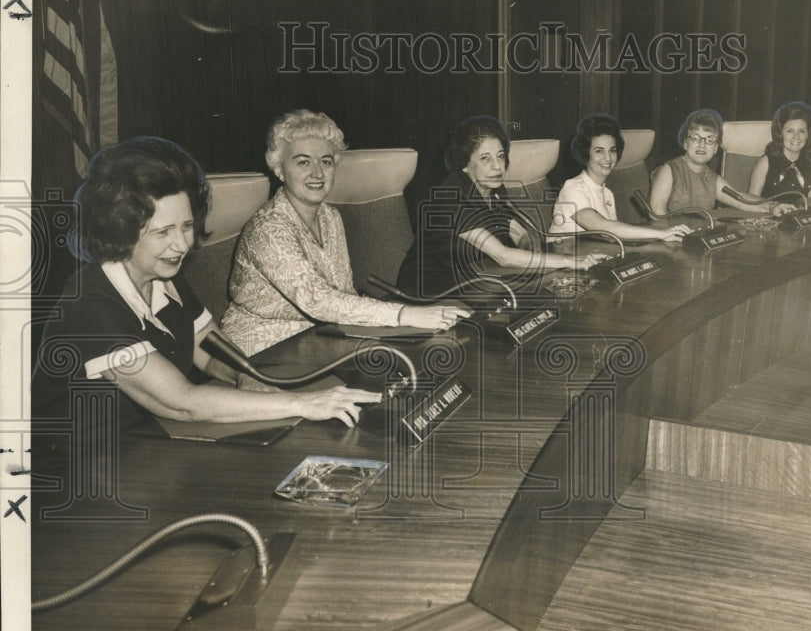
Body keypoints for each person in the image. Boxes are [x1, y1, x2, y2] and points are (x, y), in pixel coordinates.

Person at [31, 136, 382, 474]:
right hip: (76, 477)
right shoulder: (90, 305)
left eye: (186, 226)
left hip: (146, 448)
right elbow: (179, 402)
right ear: (119, 230)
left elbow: (212, 351)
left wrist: (249, 378)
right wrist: (302, 403)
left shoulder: (162, 275)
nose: (182, 244)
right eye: (163, 232)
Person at [221, 110, 468, 356]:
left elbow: (343, 293)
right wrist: (404, 314)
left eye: (326, 162)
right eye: (303, 161)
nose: (317, 173)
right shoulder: (267, 229)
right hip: (262, 351)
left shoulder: (330, 216)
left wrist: (409, 315)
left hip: (320, 335)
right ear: (279, 169)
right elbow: (318, 300)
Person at [397, 115, 606, 298]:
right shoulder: (451, 197)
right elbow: (502, 256)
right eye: (485, 159)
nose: (497, 166)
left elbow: (520, 234)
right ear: (464, 164)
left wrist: (530, 250)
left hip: (472, 279)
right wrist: (568, 261)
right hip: (429, 293)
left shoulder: (494, 190)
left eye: (500, 156)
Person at [549, 113, 691, 241]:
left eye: (612, 151)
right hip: (562, 261)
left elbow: (613, 237)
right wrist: (660, 234)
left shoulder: (607, 193)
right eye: (599, 151)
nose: (608, 158)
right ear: (586, 154)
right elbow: (606, 230)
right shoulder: (573, 189)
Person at [648, 109, 795, 217]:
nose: (702, 145)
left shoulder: (711, 178)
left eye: (710, 140)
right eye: (696, 138)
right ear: (686, 143)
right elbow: (657, 214)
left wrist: (773, 206)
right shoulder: (669, 170)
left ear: (715, 148)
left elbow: (741, 199)